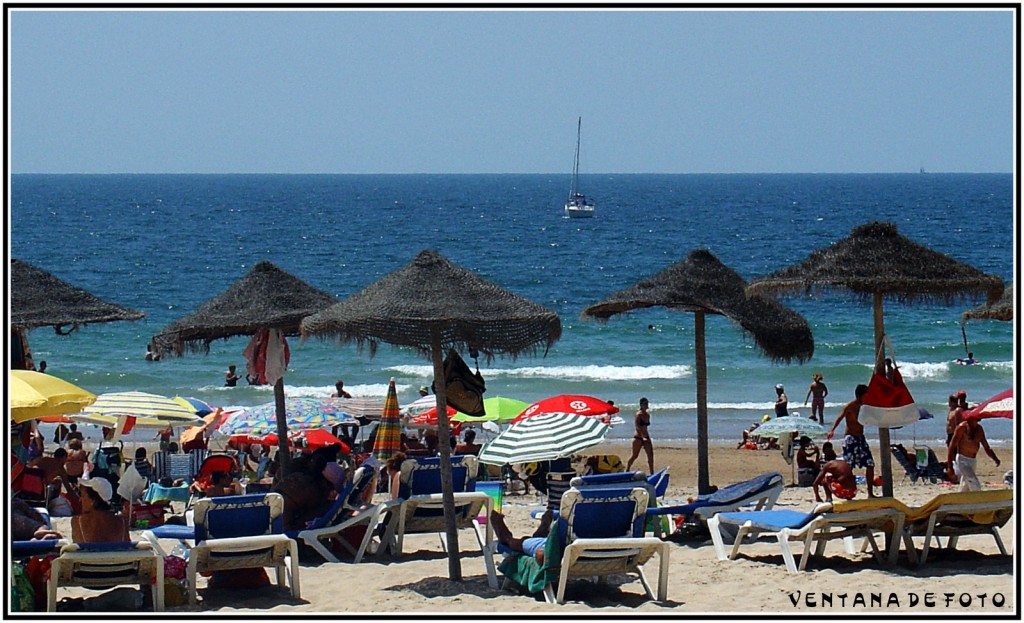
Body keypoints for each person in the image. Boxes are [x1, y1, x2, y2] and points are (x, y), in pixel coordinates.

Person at [826, 384, 875, 498]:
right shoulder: (850, 406)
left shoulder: (865, 407)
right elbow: (839, 417)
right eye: (865, 395)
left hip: (861, 438)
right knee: (848, 467)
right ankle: (846, 491)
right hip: (851, 438)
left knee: (870, 464)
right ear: (859, 395)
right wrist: (832, 430)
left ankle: (870, 493)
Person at [947, 418, 1000, 492]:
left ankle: (961, 499)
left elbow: (986, 447)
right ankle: (979, 498)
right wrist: (950, 467)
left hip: (972, 461)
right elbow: (951, 447)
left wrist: (995, 458)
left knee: (965, 485)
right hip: (962, 460)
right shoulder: (962, 427)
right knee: (973, 482)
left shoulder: (979, 429)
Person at [72, 477, 129, 543]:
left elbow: (78, 551)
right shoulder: (122, 522)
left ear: (92, 501)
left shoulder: (77, 522)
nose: (80, 499)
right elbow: (127, 549)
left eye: (83, 495)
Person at [490, 509, 555, 564]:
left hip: (551, 547)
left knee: (518, 544)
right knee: (538, 538)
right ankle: (543, 528)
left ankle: (506, 539)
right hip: (559, 543)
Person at [626, 397, 654, 474]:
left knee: (650, 455)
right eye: (645, 404)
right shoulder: (638, 414)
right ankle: (627, 469)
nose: (646, 405)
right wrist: (642, 437)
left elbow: (645, 427)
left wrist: (646, 437)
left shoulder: (647, 415)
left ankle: (652, 473)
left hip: (646, 436)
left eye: (647, 403)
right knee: (635, 455)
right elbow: (638, 427)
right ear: (641, 405)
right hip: (638, 437)